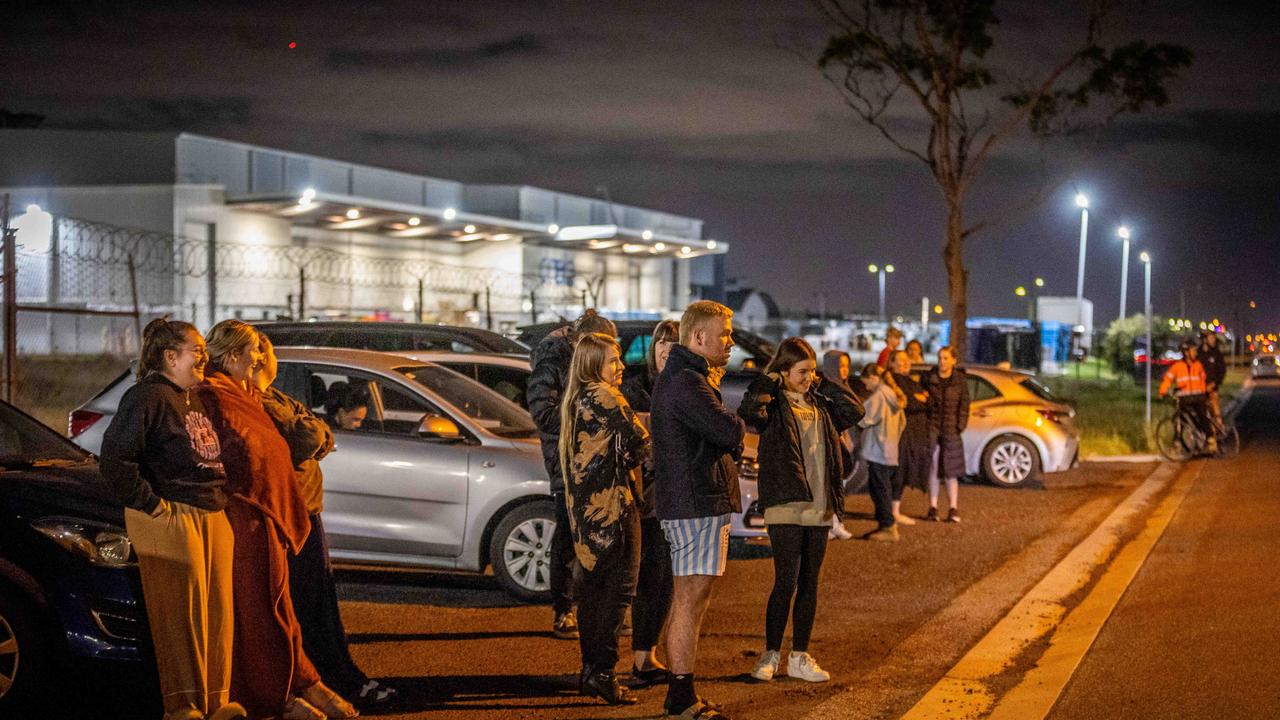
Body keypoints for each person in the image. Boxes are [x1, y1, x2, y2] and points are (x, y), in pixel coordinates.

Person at [198, 320, 357, 720]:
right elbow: (251, 454)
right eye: (254, 352)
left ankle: (301, 683)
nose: (261, 360)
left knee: (279, 607)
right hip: (246, 517)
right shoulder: (217, 394)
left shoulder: (245, 392)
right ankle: (276, 696)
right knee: (258, 611)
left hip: (265, 516)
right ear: (234, 356)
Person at [99, 319, 246, 720]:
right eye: (195, 349)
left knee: (216, 614)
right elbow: (115, 458)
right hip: (173, 513)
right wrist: (152, 505)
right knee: (180, 616)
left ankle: (216, 701)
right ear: (169, 356)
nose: (203, 357)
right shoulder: (147, 397)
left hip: (209, 511)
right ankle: (183, 705)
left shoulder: (188, 397)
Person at [256, 336, 397, 710]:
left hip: (303, 507)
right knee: (310, 605)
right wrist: (315, 433)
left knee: (317, 603)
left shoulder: (273, 396)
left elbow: (316, 432)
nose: (266, 357)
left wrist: (316, 432)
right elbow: (308, 436)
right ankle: (329, 679)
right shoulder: (258, 400)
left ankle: (331, 676)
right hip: (292, 512)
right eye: (262, 351)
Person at [738, 338, 861, 684]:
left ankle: (800, 656)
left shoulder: (820, 402)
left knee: (810, 583)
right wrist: (770, 382)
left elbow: (855, 411)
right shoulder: (774, 404)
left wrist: (822, 382)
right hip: (786, 504)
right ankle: (770, 655)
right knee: (785, 582)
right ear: (784, 371)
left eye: (812, 372)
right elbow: (750, 414)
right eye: (802, 372)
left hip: (819, 506)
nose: (808, 378)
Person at [652, 300, 745, 719]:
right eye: (724, 333)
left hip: (692, 502)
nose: (730, 341)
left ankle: (681, 691)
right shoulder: (687, 382)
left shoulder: (688, 377)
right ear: (698, 337)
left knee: (689, 597)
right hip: (695, 504)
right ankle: (681, 697)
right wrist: (737, 427)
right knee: (691, 599)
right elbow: (727, 429)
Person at [560, 332, 649, 705]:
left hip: (584, 514)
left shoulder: (576, 398)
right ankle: (604, 673)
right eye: (614, 360)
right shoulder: (604, 395)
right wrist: (626, 461)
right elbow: (641, 440)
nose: (621, 366)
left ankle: (590, 669)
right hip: (613, 506)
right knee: (619, 592)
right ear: (595, 363)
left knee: (593, 594)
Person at [527, 309, 619, 640]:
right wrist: (589, 417)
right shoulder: (552, 363)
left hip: (593, 461)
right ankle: (563, 610)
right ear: (580, 341)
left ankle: (595, 610)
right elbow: (544, 414)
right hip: (566, 463)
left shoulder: (582, 362)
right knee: (567, 541)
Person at [618, 319, 680, 688]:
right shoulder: (635, 387)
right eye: (661, 342)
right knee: (645, 576)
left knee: (666, 580)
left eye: (673, 344)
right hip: (643, 497)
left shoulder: (682, 386)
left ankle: (647, 655)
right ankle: (638, 657)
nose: (665, 349)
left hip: (672, 497)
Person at [817, 350, 863, 540]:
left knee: (839, 485)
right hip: (832, 444)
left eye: (847, 366)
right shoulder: (825, 389)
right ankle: (831, 524)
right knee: (830, 486)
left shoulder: (844, 387)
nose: (845, 370)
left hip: (845, 444)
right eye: (840, 366)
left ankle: (835, 522)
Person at [858, 363, 906, 542]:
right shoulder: (893, 395)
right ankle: (885, 525)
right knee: (883, 488)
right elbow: (902, 423)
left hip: (878, 450)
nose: (866, 387)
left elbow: (864, 419)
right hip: (890, 450)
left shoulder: (879, 396)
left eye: (866, 382)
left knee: (880, 490)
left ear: (874, 378)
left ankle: (888, 527)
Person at [925, 347, 969, 523]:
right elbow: (924, 400)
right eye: (940, 357)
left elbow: (965, 404)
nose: (942, 361)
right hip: (934, 428)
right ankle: (933, 507)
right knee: (934, 468)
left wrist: (960, 425)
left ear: (953, 360)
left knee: (951, 470)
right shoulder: (929, 378)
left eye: (945, 358)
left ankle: (953, 508)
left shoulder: (959, 381)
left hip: (951, 429)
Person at [890, 350, 931, 525]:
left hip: (916, 434)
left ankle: (894, 510)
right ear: (892, 363)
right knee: (898, 473)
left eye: (907, 360)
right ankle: (893, 512)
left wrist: (920, 399)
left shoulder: (912, 381)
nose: (905, 363)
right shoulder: (892, 382)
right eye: (900, 360)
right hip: (902, 434)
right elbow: (907, 403)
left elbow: (930, 402)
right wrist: (918, 400)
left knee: (906, 471)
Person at [1159, 340, 1215, 452]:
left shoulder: (1198, 365)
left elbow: (1204, 380)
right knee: (1180, 419)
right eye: (1193, 350)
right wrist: (1162, 391)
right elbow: (1168, 379)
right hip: (1185, 398)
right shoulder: (1177, 366)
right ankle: (1177, 442)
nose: (1195, 353)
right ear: (1186, 352)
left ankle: (1210, 439)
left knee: (1202, 417)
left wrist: (1207, 391)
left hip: (1198, 397)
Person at [1199, 330, 1226, 424]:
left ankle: (1218, 425)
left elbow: (1222, 370)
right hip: (1199, 387)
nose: (1213, 340)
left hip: (1212, 386)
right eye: (1211, 338)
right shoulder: (1198, 353)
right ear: (1205, 340)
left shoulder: (1217, 354)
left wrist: (1215, 383)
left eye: (1214, 338)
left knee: (1214, 403)